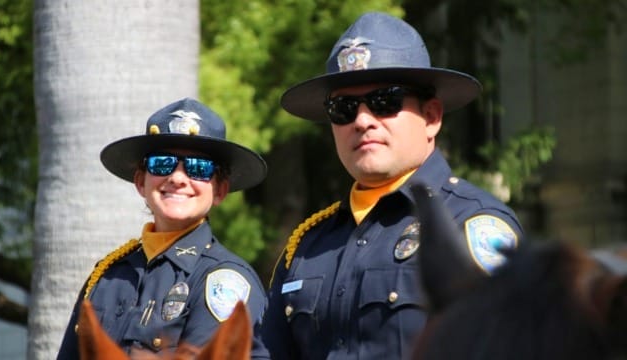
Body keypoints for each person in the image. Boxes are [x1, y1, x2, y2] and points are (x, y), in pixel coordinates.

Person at [259, 12, 524, 359]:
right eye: (344, 108)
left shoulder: (471, 226)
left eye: (386, 101)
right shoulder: (306, 247)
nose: (363, 121)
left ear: (431, 117)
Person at [57, 98, 269, 358]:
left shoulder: (225, 283)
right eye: (162, 163)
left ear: (220, 190)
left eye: (198, 168)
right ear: (140, 182)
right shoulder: (106, 276)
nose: (178, 178)